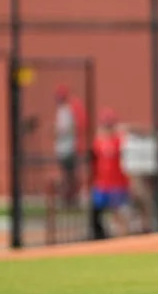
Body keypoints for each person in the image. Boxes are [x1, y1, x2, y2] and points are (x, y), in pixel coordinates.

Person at [90, 108, 130, 239]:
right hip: (102, 184)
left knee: (118, 212)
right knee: (96, 211)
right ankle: (100, 236)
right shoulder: (98, 142)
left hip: (117, 183)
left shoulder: (120, 141)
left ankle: (122, 237)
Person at [53, 84, 86, 207]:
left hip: (68, 148)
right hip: (63, 148)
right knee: (67, 174)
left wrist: (55, 130)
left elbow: (67, 129)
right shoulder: (62, 111)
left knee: (70, 174)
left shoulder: (66, 111)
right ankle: (69, 197)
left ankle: (72, 197)